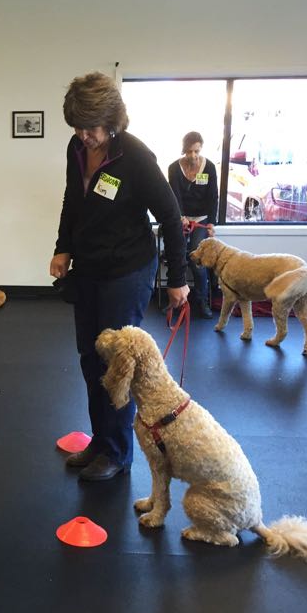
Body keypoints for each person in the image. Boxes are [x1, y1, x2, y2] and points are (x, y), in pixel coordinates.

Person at [50, 72, 189, 481]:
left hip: (128, 270)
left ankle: (117, 453)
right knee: (90, 357)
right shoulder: (77, 148)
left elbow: (171, 217)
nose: (83, 135)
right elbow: (71, 200)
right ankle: (100, 441)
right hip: (89, 268)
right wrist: (63, 247)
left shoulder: (135, 157)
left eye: (90, 127)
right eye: (77, 127)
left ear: (112, 119)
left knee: (117, 365)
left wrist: (178, 279)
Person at [167, 131, 218, 319]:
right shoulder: (174, 168)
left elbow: (213, 197)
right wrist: (180, 216)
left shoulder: (210, 167)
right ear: (184, 150)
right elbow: (174, 196)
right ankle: (176, 302)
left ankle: (202, 300)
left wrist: (211, 222)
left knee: (197, 262)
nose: (193, 156)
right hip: (181, 218)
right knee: (177, 256)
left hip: (201, 219)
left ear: (201, 148)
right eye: (189, 152)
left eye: (196, 151)